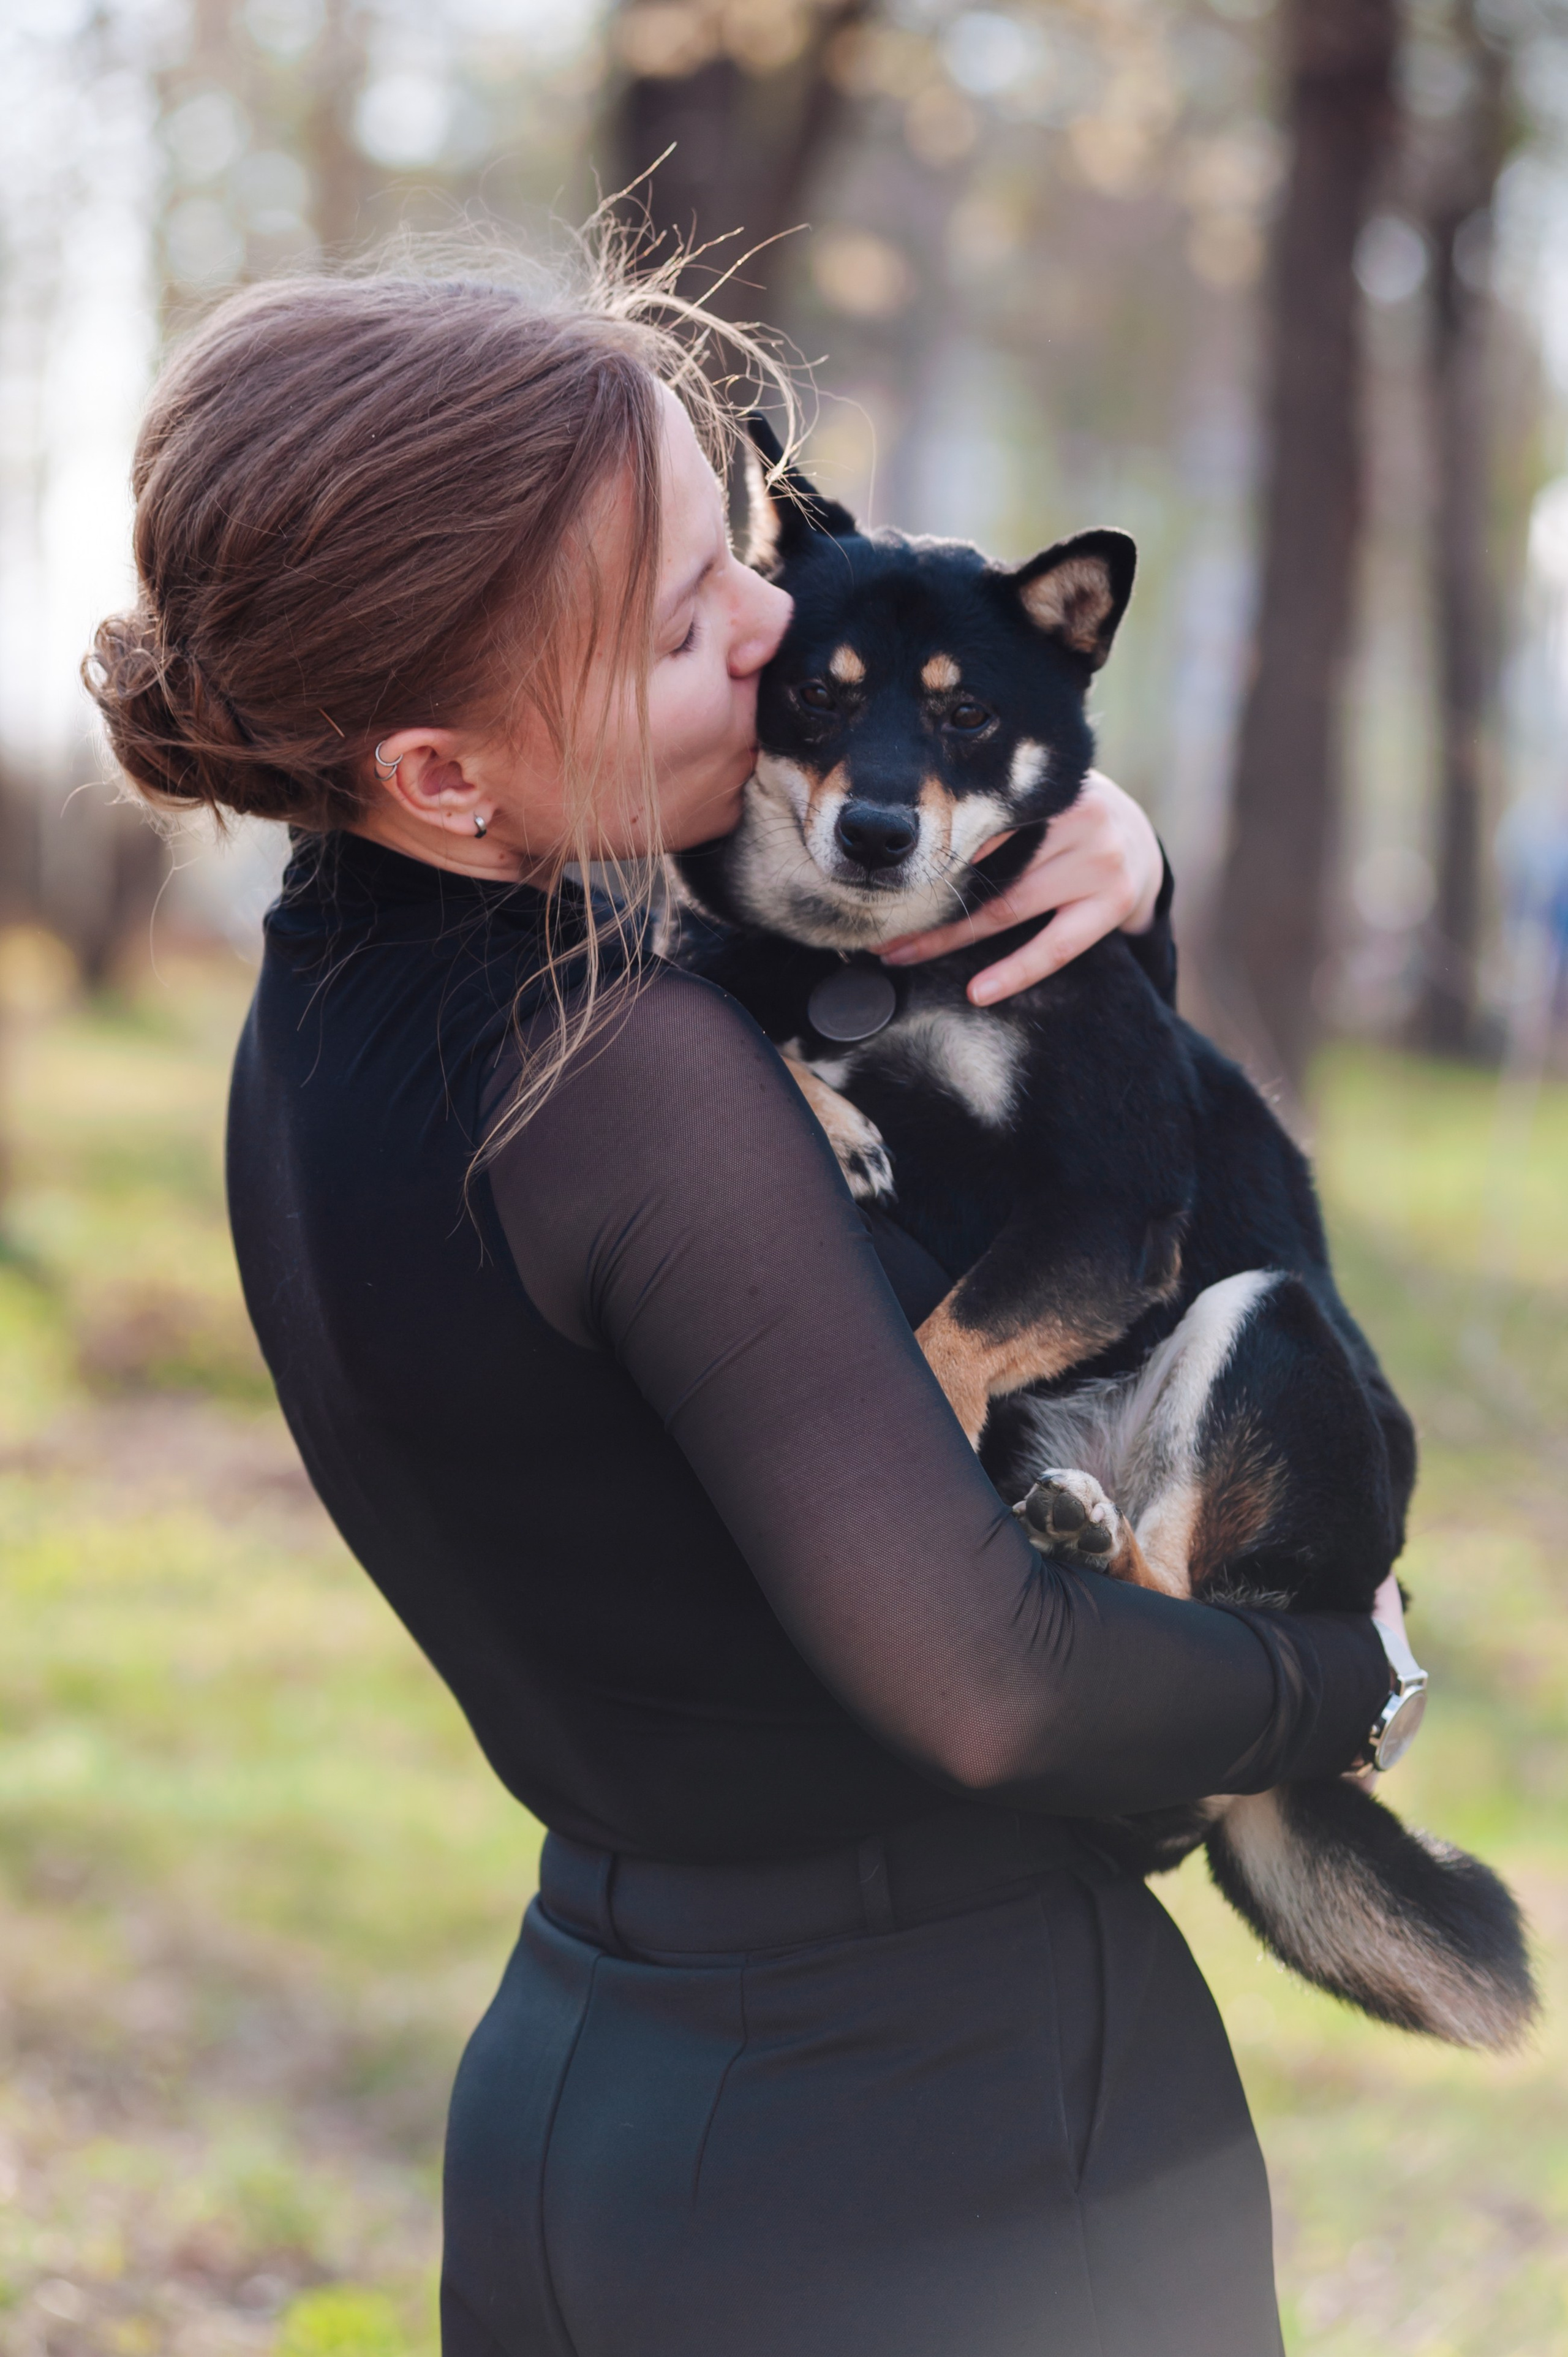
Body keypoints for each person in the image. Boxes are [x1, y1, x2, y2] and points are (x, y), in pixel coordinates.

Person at [86, 259, 1403, 2357]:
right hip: (933, 2146)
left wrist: (1078, 829)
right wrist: (1353, 1687)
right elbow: (986, 1678)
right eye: (694, 623)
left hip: (590, 2092)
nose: (776, 631)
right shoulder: (631, 1077)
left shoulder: (341, 1019)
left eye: (735, 558)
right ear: (446, 772)